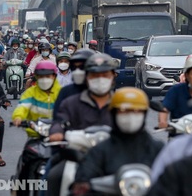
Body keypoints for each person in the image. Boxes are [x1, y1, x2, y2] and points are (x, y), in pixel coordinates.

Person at [70, 88, 164, 196]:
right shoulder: (99, 151)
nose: (130, 116)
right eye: (123, 111)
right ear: (113, 114)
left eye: (136, 111)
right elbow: (82, 183)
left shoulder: (158, 149)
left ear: (144, 114)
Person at [12, 61, 60, 195]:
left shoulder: (62, 93)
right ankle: (19, 189)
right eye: (41, 76)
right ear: (37, 77)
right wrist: (18, 117)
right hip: (36, 135)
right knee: (26, 160)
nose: (45, 79)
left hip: (59, 137)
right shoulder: (30, 93)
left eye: (48, 76)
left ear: (54, 76)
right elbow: (22, 107)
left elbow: (70, 110)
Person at [48, 53, 117, 142]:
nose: (100, 79)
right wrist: (57, 132)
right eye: (95, 75)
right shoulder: (70, 103)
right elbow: (59, 121)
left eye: (105, 75)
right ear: (87, 77)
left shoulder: (121, 103)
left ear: (113, 77)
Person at [158, 54, 192, 129]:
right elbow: (165, 109)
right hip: (179, 135)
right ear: (187, 75)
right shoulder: (176, 90)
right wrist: (163, 122)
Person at [52, 49, 95, 116]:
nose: (78, 71)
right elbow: (58, 117)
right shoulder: (65, 91)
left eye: (82, 67)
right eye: (75, 67)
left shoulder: (102, 92)